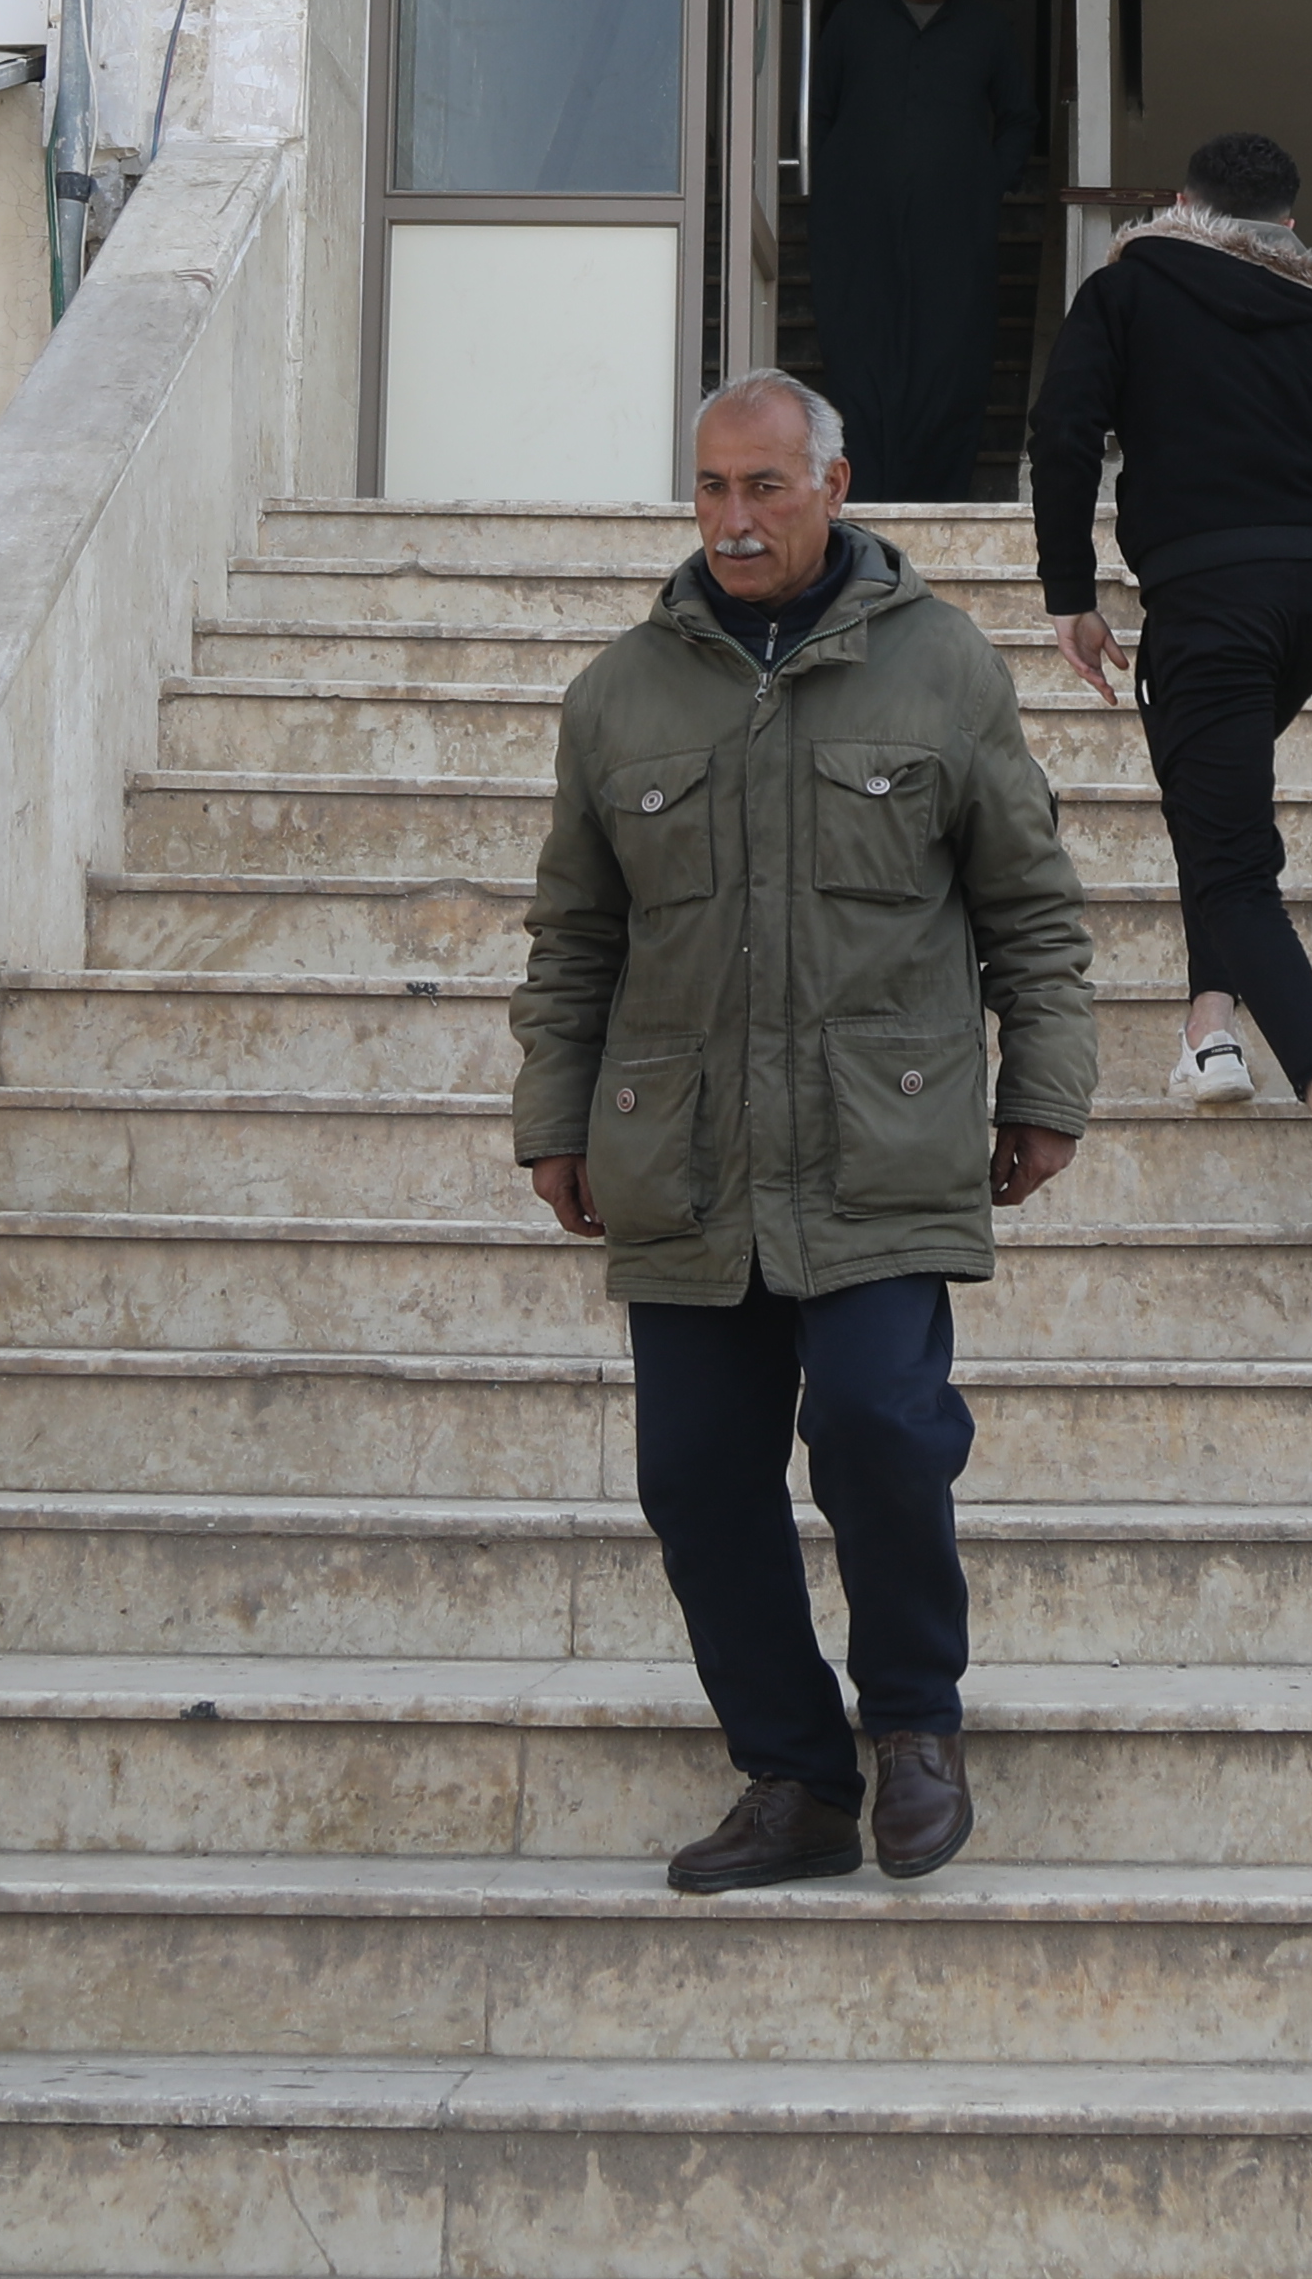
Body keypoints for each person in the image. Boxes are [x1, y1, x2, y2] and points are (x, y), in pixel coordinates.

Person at [516, 370, 1094, 1893]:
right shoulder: (620, 695)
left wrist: (1042, 1086)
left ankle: (912, 1724)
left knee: (881, 1428)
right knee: (696, 1475)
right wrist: (552, 1115)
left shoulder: (944, 669)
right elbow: (575, 937)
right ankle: (792, 1775)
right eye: (711, 488)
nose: (733, 519)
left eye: (764, 487)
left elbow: (1029, 905)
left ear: (836, 488)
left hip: (878, 1148)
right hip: (684, 1157)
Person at [1026, 132, 1312, 1279]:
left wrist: (1070, 592)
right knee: (1218, 820)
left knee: (1233, 863)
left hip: (1208, 597)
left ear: (1177, 206)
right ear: (1287, 231)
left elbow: (1063, 433)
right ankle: (1210, 1033)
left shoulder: (1129, 286)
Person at [807, 0, 1032, 498]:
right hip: (859, 231)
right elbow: (819, 112)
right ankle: (861, 504)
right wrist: (836, 183)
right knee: (858, 362)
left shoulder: (986, 29)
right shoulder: (854, 21)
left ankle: (937, 504)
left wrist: (986, 180)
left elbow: (1018, 118)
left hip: (953, 234)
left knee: (949, 365)